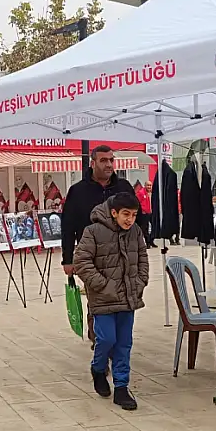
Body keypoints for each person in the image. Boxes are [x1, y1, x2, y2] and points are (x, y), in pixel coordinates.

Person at [72, 193, 149, 411]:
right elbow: (82, 261)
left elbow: (143, 258)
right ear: (114, 213)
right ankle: (98, 369)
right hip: (103, 299)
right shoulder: (93, 232)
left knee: (124, 344)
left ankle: (122, 387)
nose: (130, 220)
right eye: (126, 214)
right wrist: (104, 285)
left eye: (134, 215)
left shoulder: (135, 232)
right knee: (105, 339)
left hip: (128, 298)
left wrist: (140, 281)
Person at [61, 145, 135, 346]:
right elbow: (67, 226)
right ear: (93, 163)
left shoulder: (124, 188)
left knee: (121, 302)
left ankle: (117, 342)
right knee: (98, 303)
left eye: (111, 160)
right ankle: (101, 344)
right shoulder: (77, 191)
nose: (109, 164)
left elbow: (137, 221)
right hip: (91, 258)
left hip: (122, 257)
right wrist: (67, 259)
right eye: (104, 160)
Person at [137, 181, 154, 247]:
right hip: (144, 213)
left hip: (152, 212)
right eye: (148, 185)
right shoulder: (141, 193)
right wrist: (142, 211)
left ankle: (151, 240)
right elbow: (138, 202)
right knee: (145, 228)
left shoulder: (153, 193)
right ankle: (147, 242)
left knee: (154, 227)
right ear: (145, 186)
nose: (149, 187)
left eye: (150, 185)